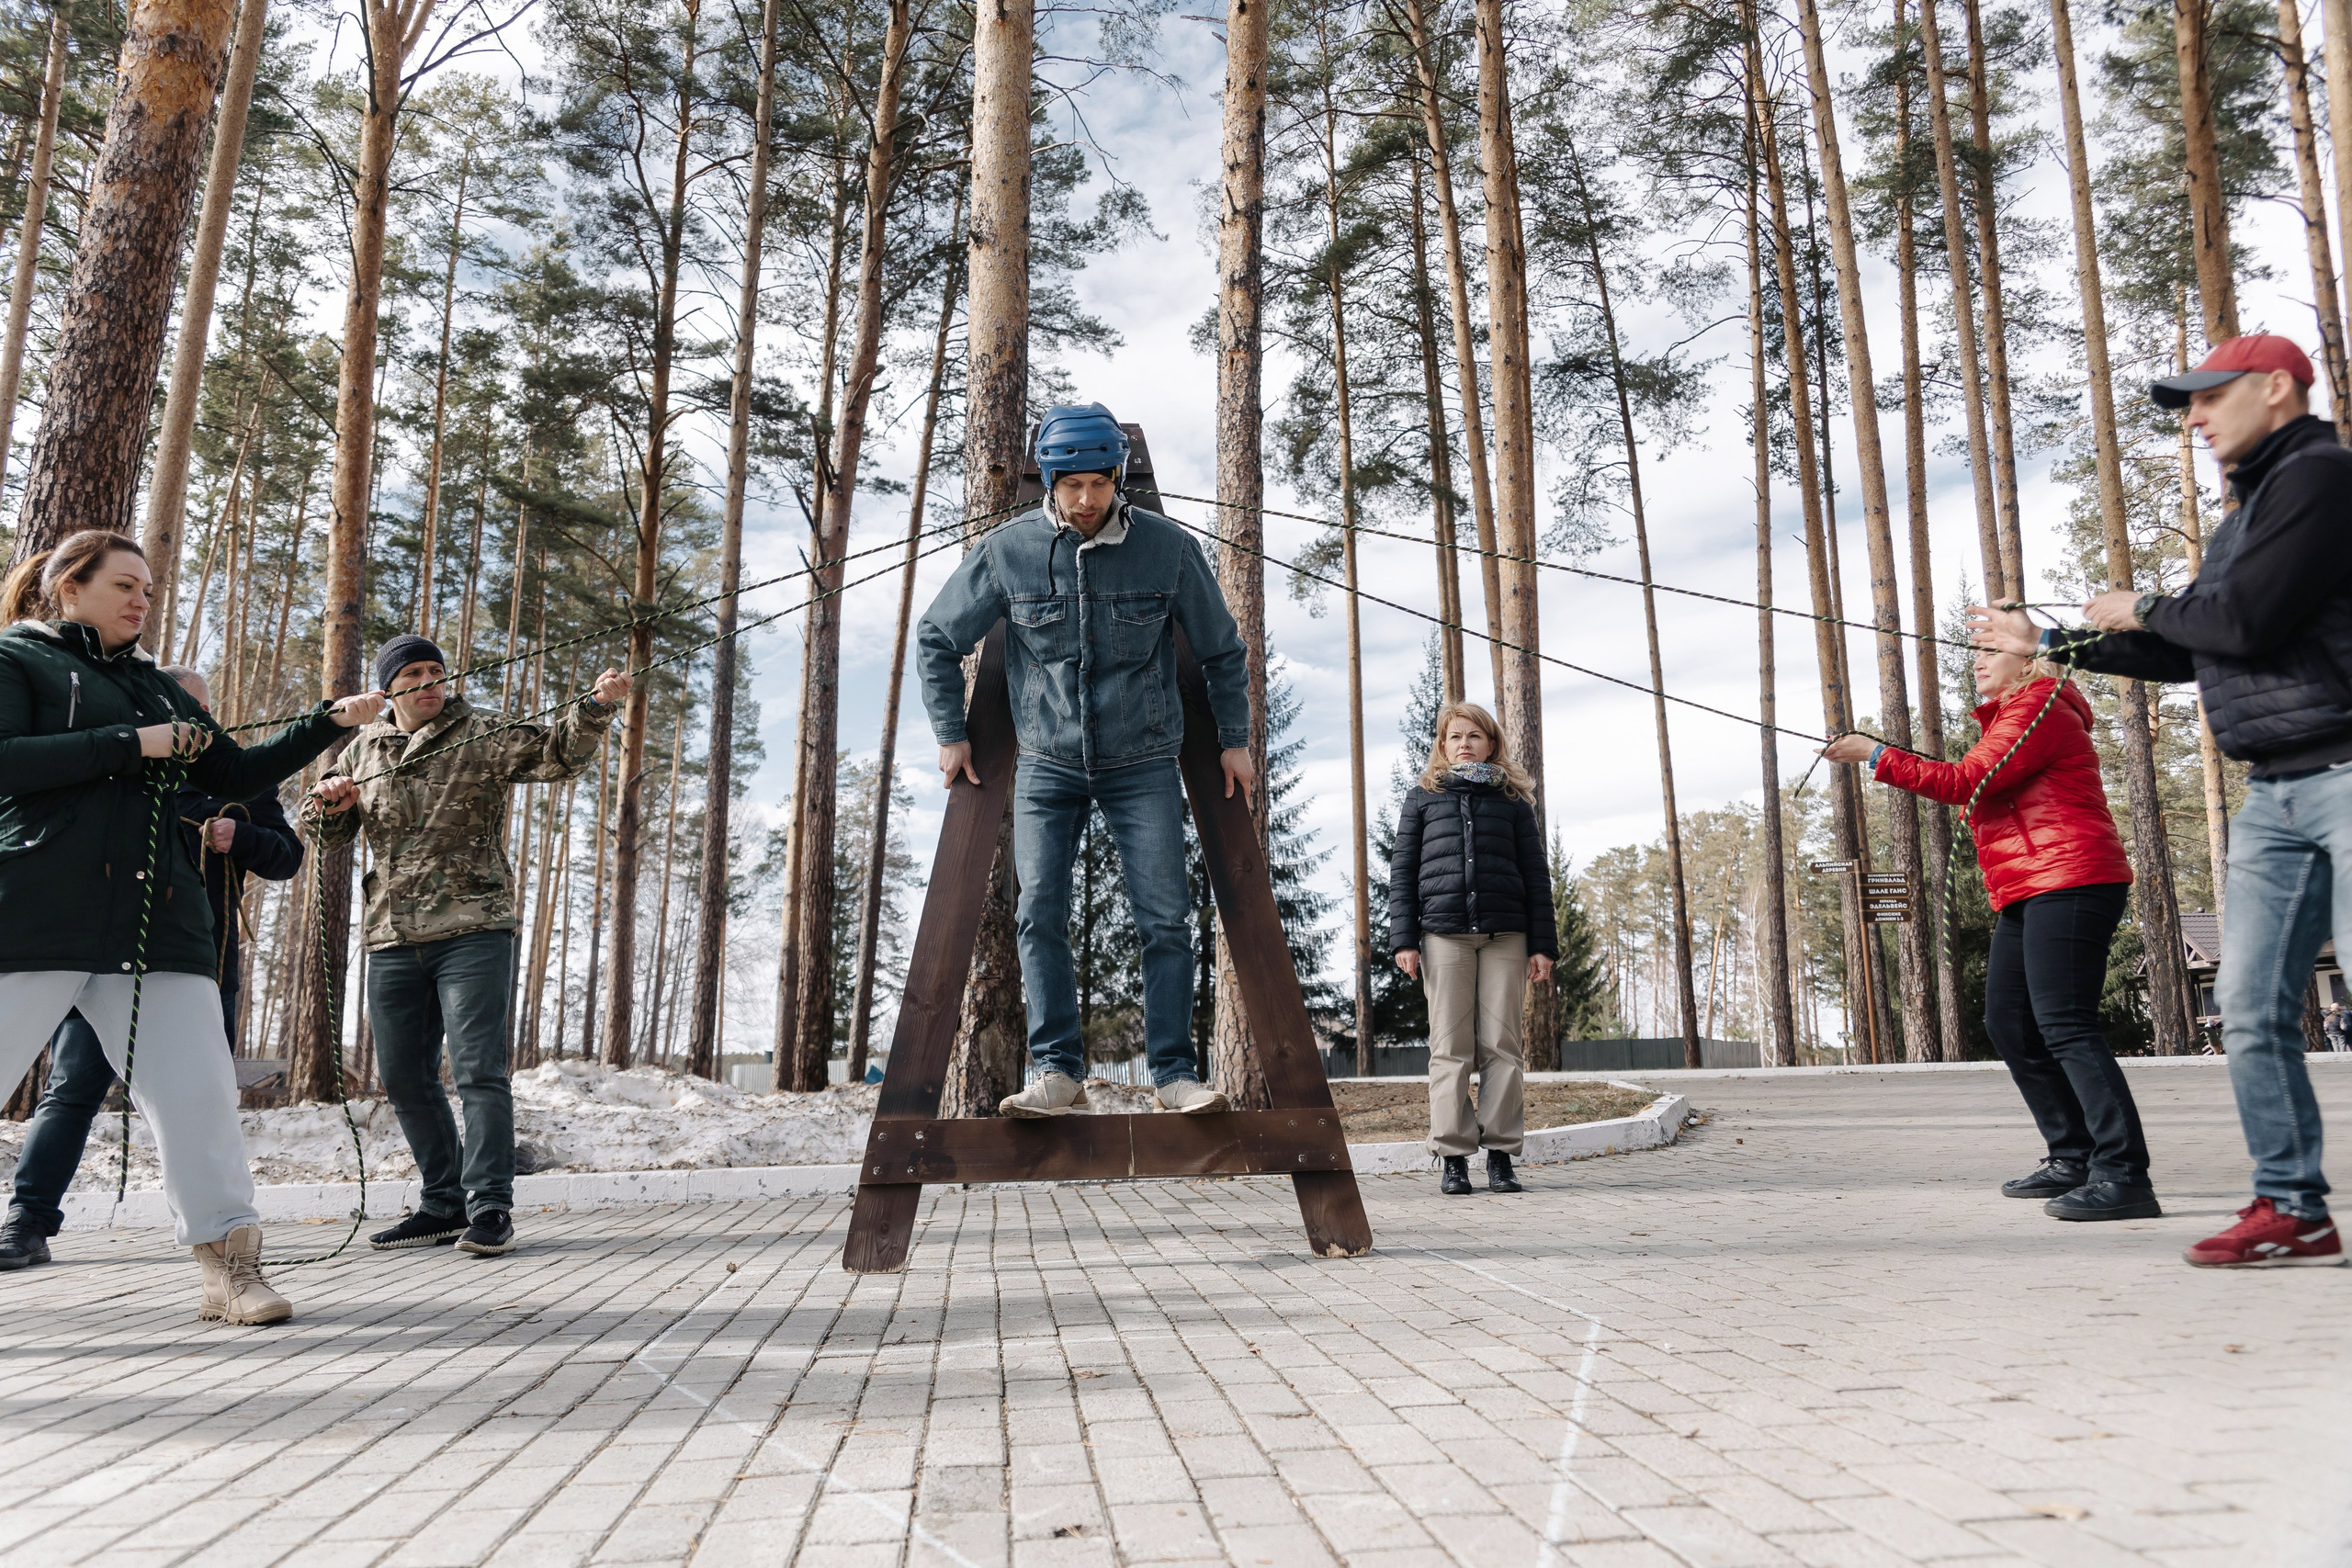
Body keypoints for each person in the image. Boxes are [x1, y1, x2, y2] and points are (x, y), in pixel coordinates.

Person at [1972, 333, 2351, 1267]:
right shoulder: (2245, 516)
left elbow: (2241, 620)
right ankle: (2291, 1209)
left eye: (2209, 397)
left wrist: (2138, 604)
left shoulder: (2321, 482)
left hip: (2345, 770)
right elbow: (2193, 650)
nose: (2195, 417)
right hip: (2272, 791)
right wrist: (2055, 640)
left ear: (2275, 389)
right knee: (2252, 1006)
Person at [0, 530, 381, 1323]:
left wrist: (327, 722)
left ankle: (230, 1269)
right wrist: (129, 746)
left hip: (158, 924)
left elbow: (237, 774)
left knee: (199, 1096)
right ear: (69, 588)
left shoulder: (157, 686)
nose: (143, 600)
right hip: (34, 913)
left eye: (148, 587)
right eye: (124, 586)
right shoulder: (18, 659)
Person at [916, 402, 1254, 1116]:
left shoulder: (1167, 549)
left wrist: (1234, 740)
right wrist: (952, 731)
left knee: (1164, 914)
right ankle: (1058, 1073)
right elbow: (937, 636)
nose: (1086, 501)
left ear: (1117, 478)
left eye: (1098, 485)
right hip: (1047, 764)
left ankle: (1173, 1075)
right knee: (1038, 910)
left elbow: (1224, 650)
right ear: (1052, 481)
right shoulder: (1008, 551)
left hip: (1143, 764)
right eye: (1072, 486)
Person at [305, 635, 628, 1258]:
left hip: (473, 927)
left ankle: (489, 1206)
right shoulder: (363, 749)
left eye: (437, 672)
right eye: (414, 674)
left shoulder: (479, 730)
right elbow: (328, 833)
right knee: (402, 1076)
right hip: (393, 933)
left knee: (478, 1069)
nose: (429, 682)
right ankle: (441, 1203)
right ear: (389, 687)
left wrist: (594, 706)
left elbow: (557, 755)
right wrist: (329, 804)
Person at [1822, 644, 2154, 1221]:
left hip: (2070, 878)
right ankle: (2072, 1156)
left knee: (2066, 1026)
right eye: (1975, 654)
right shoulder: (2012, 716)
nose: (1977, 662)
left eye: (1991, 652)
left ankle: (2124, 1175)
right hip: (2031, 887)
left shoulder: (2042, 703)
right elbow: (1979, 783)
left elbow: (1966, 780)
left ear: (2029, 662)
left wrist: (1874, 752)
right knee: (2009, 1024)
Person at [0, 665, 303, 1272]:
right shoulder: (119, 770)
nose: (186, 723)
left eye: (198, 712)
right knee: (70, 1091)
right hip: (101, 954)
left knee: (198, 1096)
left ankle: (218, 1244)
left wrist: (237, 835)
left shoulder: (235, 780)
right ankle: (27, 1222)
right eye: (173, 711)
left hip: (196, 962)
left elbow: (287, 855)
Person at [1388, 702, 1556, 1196]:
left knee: (1502, 1047)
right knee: (1450, 1050)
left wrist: (1542, 944)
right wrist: (1404, 939)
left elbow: (1536, 877)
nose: (1464, 743)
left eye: (1474, 736)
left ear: (1491, 744)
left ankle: (1501, 1156)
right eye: (1455, 736)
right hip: (1443, 936)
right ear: (1442, 746)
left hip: (1507, 934)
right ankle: (1454, 1158)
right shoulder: (1421, 799)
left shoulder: (1513, 803)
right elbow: (1402, 874)